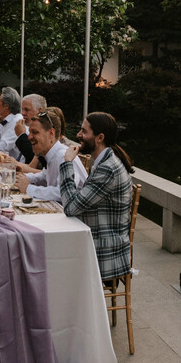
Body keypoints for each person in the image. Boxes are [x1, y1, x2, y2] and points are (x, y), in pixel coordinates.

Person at [60, 111, 134, 282]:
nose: (79, 135)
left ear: (100, 138)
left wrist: (67, 164)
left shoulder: (108, 168)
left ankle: (74, 307)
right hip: (99, 244)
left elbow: (71, 208)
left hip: (105, 255)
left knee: (50, 263)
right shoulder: (105, 161)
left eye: (84, 131)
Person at [13, 109, 86, 203]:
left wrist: (28, 188)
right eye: (29, 132)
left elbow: (63, 193)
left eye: (34, 132)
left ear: (51, 133)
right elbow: (43, 176)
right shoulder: (52, 153)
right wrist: (23, 178)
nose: (29, 137)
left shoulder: (63, 156)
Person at [0, 87, 25, 162]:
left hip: (13, 166)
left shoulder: (16, 121)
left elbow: (4, 146)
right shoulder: (8, 120)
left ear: (6, 106)